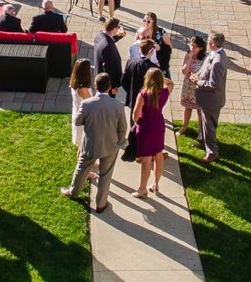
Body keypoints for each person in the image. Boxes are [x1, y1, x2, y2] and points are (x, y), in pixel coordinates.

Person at [61, 72, 128, 213]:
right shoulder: (118, 106)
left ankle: (73, 192)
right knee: (106, 174)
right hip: (110, 145)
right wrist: (121, 142)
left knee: (81, 168)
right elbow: (123, 128)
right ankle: (101, 204)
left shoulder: (86, 104)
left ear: (95, 86)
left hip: (90, 144)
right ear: (110, 87)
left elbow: (78, 121)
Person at [132, 66, 174, 197]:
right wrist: (161, 78)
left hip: (146, 127)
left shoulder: (143, 94)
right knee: (158, 155)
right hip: (159, 125)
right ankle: (155, 184)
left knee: (145, 160)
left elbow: (135, 115)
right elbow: (171, 83)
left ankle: (142, 188)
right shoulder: (165, 92)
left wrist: (137, 122)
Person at [190, 32, 229, 162]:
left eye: (208, 41)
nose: (207, 43)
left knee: (209, 127)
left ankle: (212, 152)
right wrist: (198, 75)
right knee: (205, 125)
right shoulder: (214, 54)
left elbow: (214, 84)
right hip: (205, 98)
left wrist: (197, 82)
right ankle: (204, 143)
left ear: (212, 44)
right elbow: (205, 69)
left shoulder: (218, 61)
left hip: (211, 101)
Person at [177, 34, 205, 136]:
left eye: (195, 46)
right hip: (188, 86)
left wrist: (197, 77)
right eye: (191, 45)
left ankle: (201, 131)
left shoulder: (204, 59)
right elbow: (184, 72)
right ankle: (185, 127)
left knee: (199, 110)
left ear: (201, 48)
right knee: (187, 108)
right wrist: (188, 59)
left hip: (198, 88)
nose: (192, 48)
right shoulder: (187, 55)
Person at [121, 38, 161, 109]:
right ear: (151, 52)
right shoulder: (154, 68)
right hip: (147, 102)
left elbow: (123, 81)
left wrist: (131, 91)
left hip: (133, 100)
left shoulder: (130, 62)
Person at [67, 58, 94, 152]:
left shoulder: (74, 83)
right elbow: (92, 103)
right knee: (83, 145)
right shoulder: (83, 89)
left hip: (78, 113)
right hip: (84, 118)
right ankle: (82, 165)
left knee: (82, 145)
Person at [92, 16, 123, 94]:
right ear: (114, 29)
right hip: (106, 85)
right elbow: (109, 68)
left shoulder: (99, 35)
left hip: (99, 78)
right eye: (118, 27)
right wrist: (112, 87)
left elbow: (110, 38)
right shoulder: (108, 47)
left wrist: (121, 35)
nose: (119, 29)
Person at [136, 10, 173, 75]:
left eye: (148, 21)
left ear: (153, 21)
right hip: (145, 64)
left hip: (159, 64)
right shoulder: (140, 31)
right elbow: (135, 45)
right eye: (144, 20)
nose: (146, 23)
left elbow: (169, 46)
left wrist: (160, 48)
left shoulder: (161, 32)